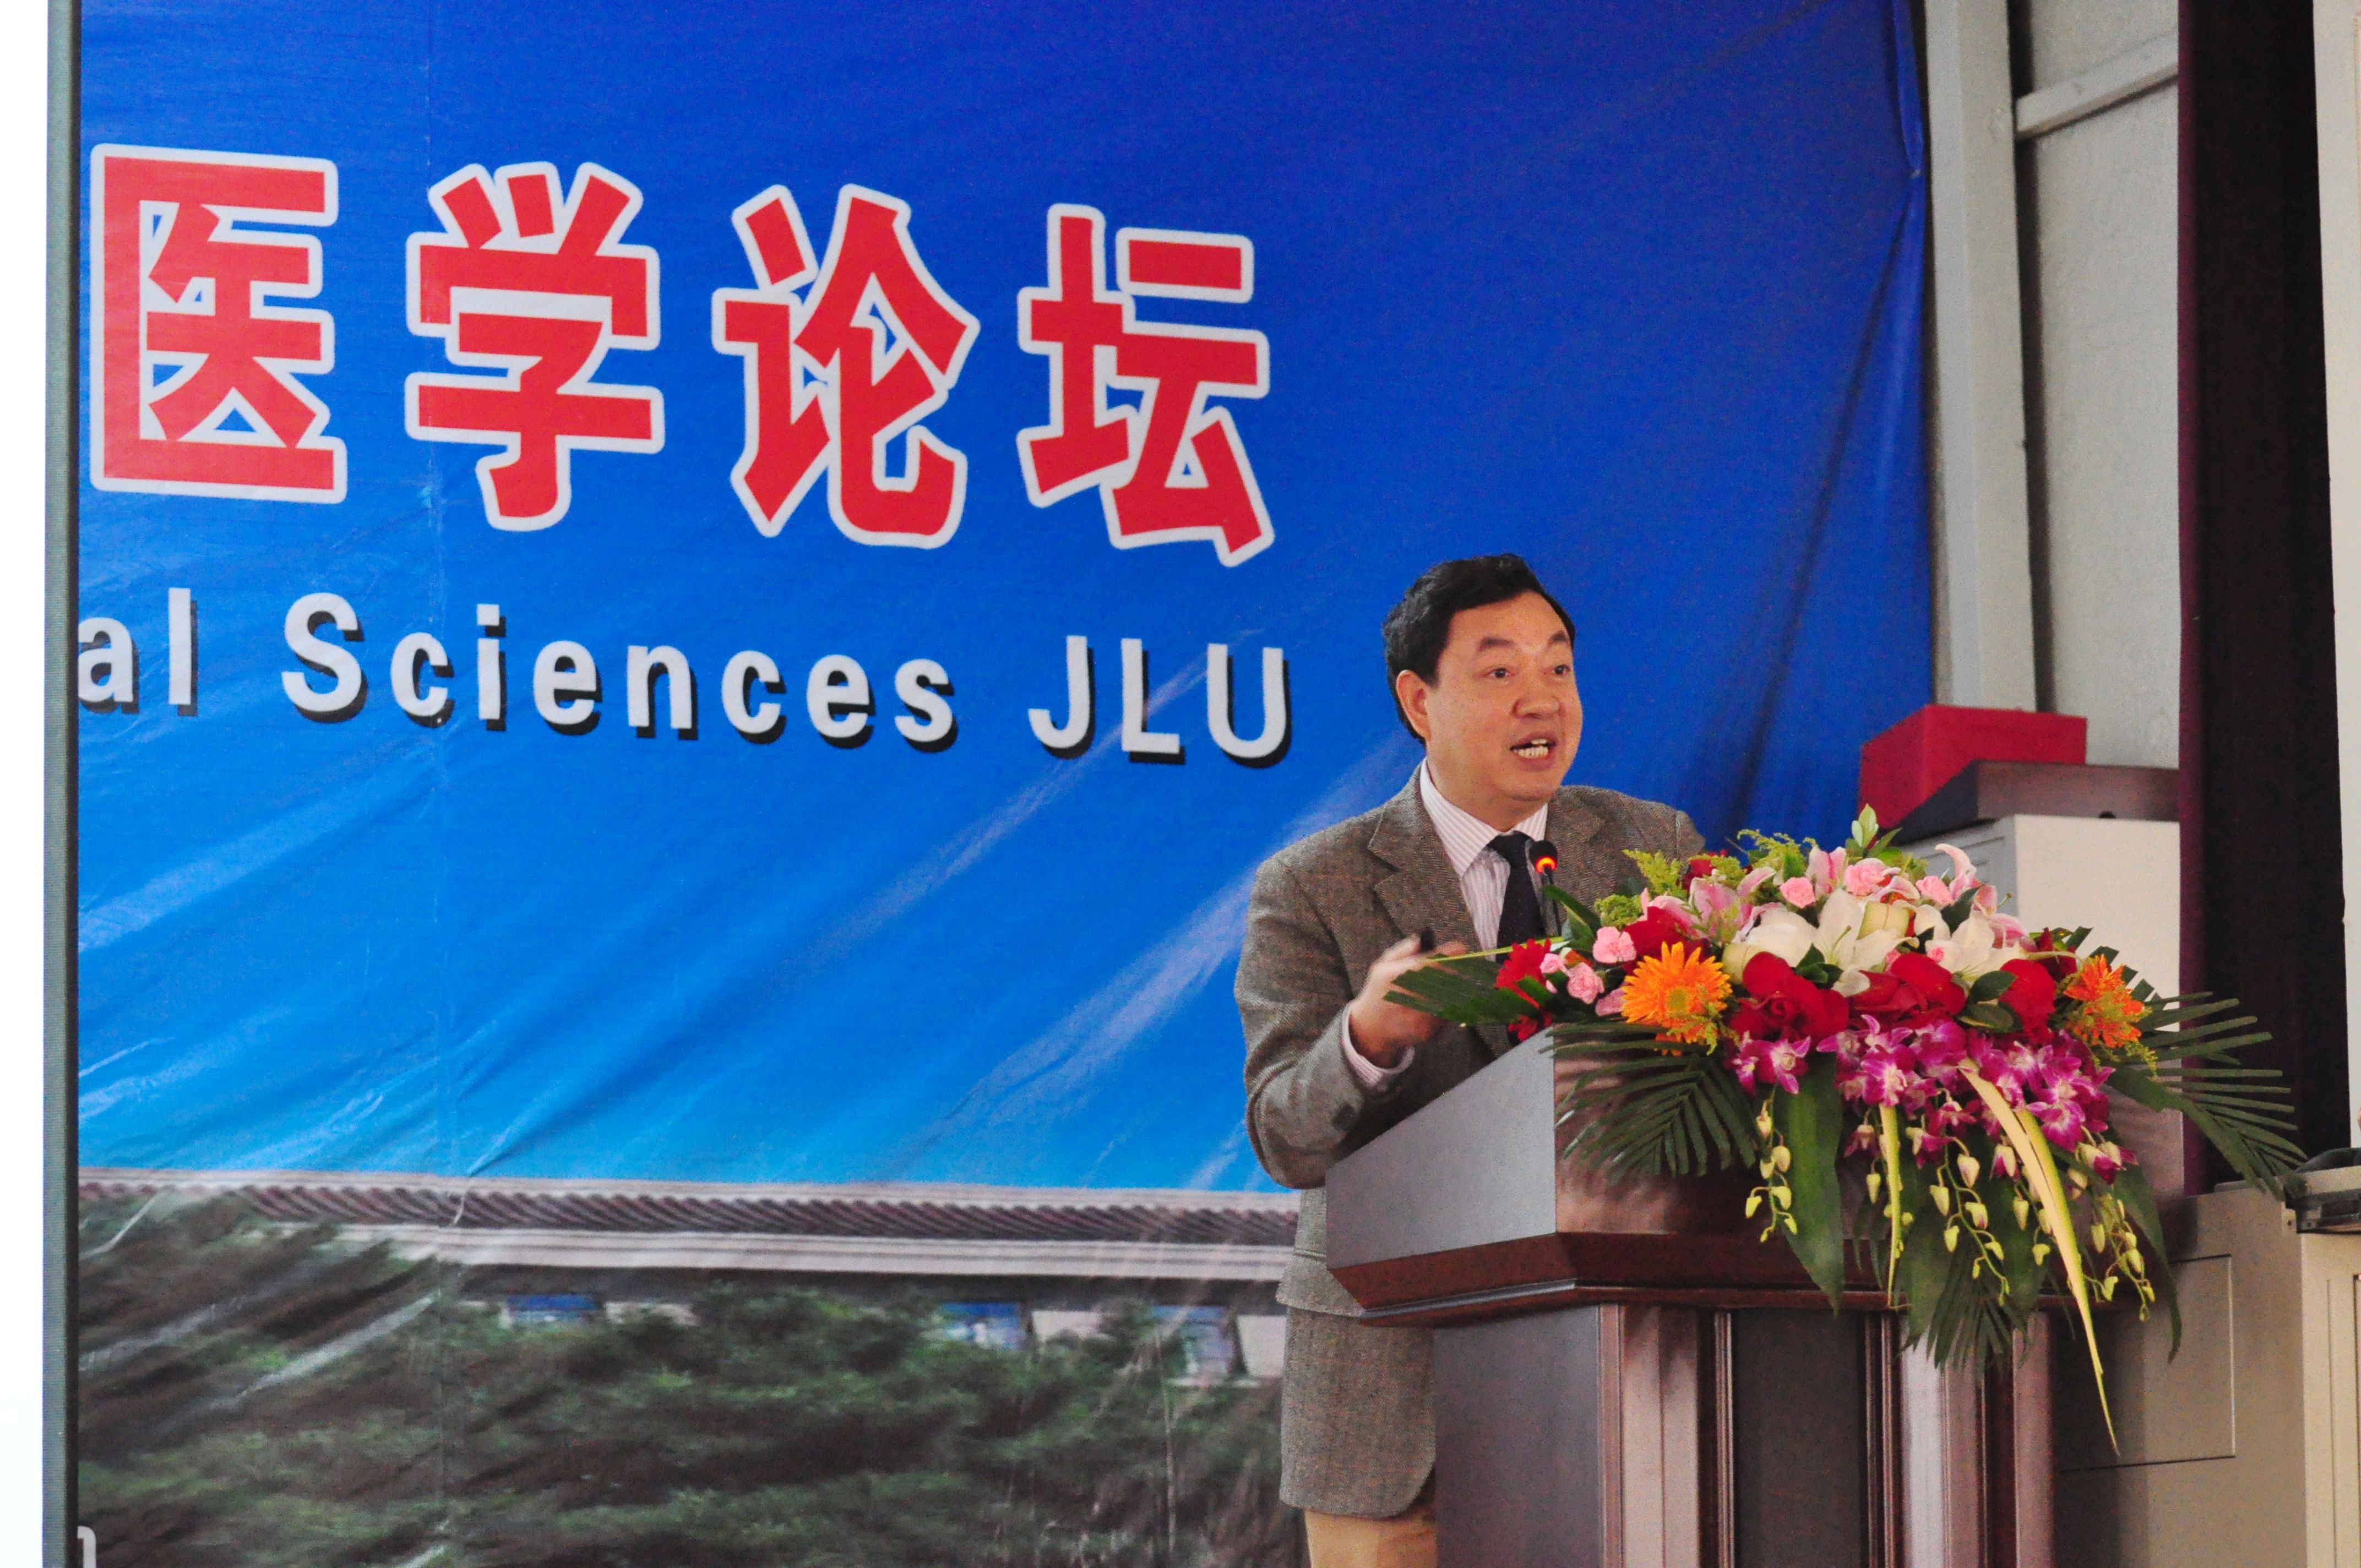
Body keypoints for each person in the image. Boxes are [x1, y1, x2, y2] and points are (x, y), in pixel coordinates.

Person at [1237, 553, 1701, 1567]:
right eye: (1500, 672)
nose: (1543, 700)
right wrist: (1364, 1041)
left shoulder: (1653, 847)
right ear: (1419, 701)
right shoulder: (1314, 884)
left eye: (1559, 668)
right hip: (1395, 1399)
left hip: (1617, 1382)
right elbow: (1282, 1134)